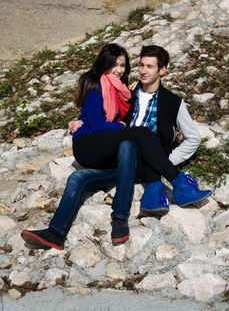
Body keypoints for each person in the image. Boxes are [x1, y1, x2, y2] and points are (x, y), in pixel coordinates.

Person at [21, 45, 211, 250]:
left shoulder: (173, 102)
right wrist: (76, 123)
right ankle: (56, 233)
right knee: (78, 176)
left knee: (133, 140)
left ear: (162, 70)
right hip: (119, 157)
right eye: (141, 65)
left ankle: (120, 220)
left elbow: (193, 138)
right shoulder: (128, 94)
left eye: (149, 66)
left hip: (145, 164)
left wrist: (164, 163)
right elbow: (101, 118)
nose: (143, 70)